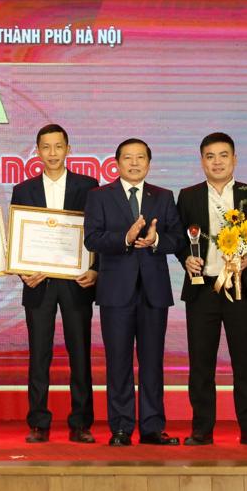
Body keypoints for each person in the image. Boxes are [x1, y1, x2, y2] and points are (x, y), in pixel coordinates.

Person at [84, 138, 184, 447]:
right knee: (118, 362)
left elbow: (178, 239)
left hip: (154, 292)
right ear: (116, 163)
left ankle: (152, 427)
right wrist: (124, 239)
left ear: (149, 163)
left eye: (141, 157)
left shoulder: (163, 196)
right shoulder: (99, 196)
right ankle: (121, 427)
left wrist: (156, 241)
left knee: (152, 362)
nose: (135, 163)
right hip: (116, 292)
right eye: (128, 157)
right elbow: (92, 239)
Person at [175, 132, 247, 447]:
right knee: (201, 363)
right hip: (202, 289)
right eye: (210, 156)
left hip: (241, 288)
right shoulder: (188, 196)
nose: (217, 162)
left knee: (245, 361)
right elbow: (178, 238)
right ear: (202, 161)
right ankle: (201, 430)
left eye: (223, 155)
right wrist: (185, 257)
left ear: (235, 159)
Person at [10, 124, 98, 444]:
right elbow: (19, 235)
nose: (52, 153)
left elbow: (97, 232)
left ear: (68, 149)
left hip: (77, 281)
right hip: (39, 283)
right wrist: (22, 270)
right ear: (37, 152)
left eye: (58, 146)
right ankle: (38, 422)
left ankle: (81, 423)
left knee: (80, 354)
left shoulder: (88, 186)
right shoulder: (24, 189)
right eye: (45, 147)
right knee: (39, 355)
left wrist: (96, 270)